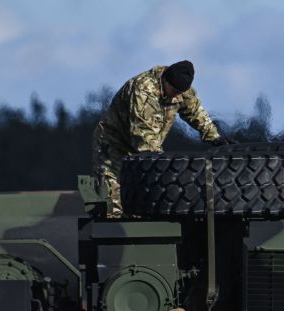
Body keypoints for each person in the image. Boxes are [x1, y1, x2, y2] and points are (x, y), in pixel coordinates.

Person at [92, 60, 231, 217]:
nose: (176, 96)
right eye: (174, 90)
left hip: (145, 152)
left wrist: (214, 136)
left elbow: (195, 112)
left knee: (142, 205)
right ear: (165, 80)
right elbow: (144, 136)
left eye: (180, 92)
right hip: (115, 146)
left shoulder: (180, 90)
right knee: (114, 203)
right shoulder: (144, 90)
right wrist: (162, 164)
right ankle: (116, 235)